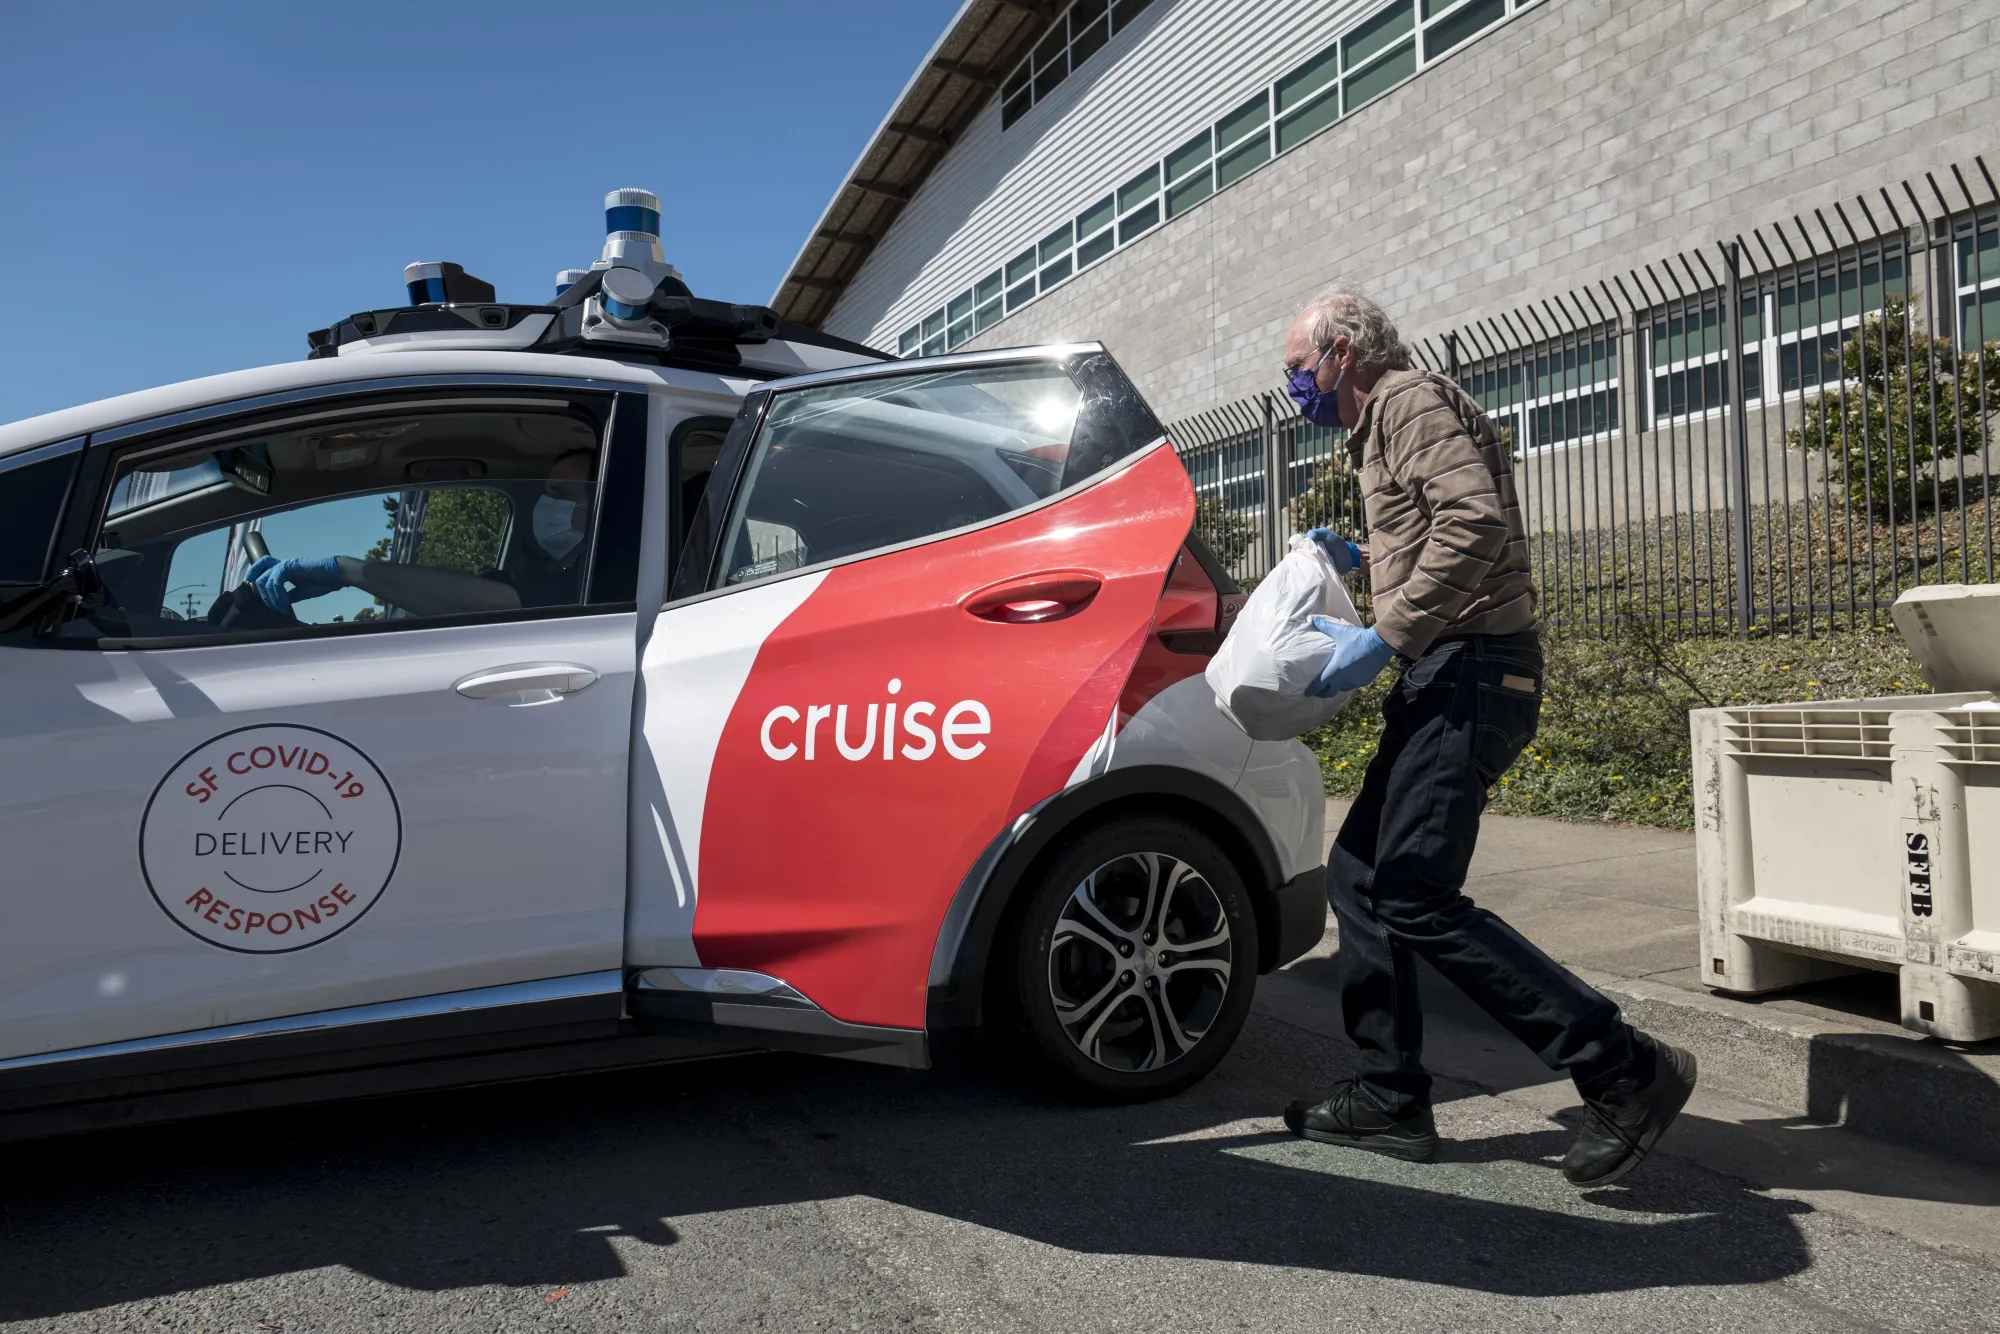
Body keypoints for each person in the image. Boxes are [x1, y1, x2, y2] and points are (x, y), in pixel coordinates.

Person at [1278, 287, 1695, 1188]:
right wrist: (1365, 558)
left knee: (1415, 892)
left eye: (1297, 368)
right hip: (1451, 669)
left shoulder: (1404, 400)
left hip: (1472, 669)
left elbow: (1473, 520)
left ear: (1343, 352)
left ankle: (1622, 1067)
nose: (1293, 388)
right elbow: (1440, 523)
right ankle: (1390, 1096)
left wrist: (1387, 633)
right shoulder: (1387, 421)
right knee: (1360, 876)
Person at [243, 451, 596, 619]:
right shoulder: (543, 572)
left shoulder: (593, 578)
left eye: (560, 494)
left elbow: (486, 603)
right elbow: (459, 599)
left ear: (596, 506)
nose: (546, 505)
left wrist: (346, 570)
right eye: (545, 493)